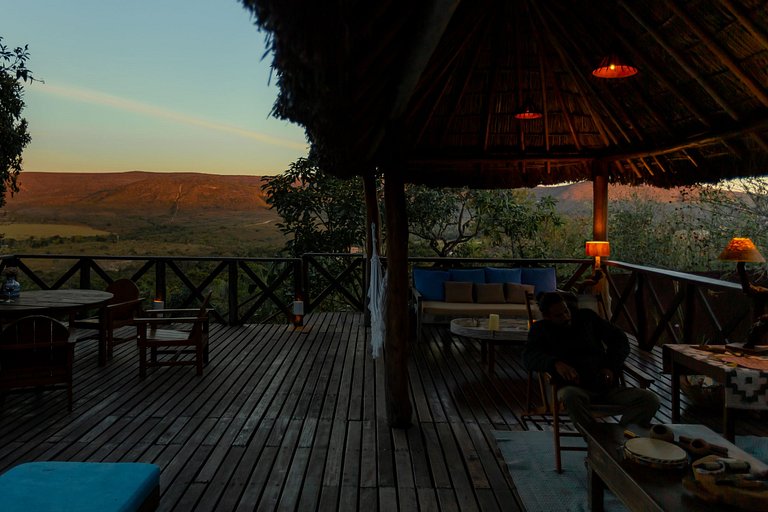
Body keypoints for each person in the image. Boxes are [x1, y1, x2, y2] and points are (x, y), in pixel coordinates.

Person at [523, 292, 659, 430]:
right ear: (547, 317)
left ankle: (623, 435)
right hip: (574, 389)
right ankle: (595, 438)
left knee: (650, 399)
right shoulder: (540, 330)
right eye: (559, 315)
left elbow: (620, 340)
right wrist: (555, 363)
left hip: (605, 387)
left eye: (566, 311)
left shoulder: (586, 318)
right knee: (570, 396)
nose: (566, 317)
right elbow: (529, 357)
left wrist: (610, 366)